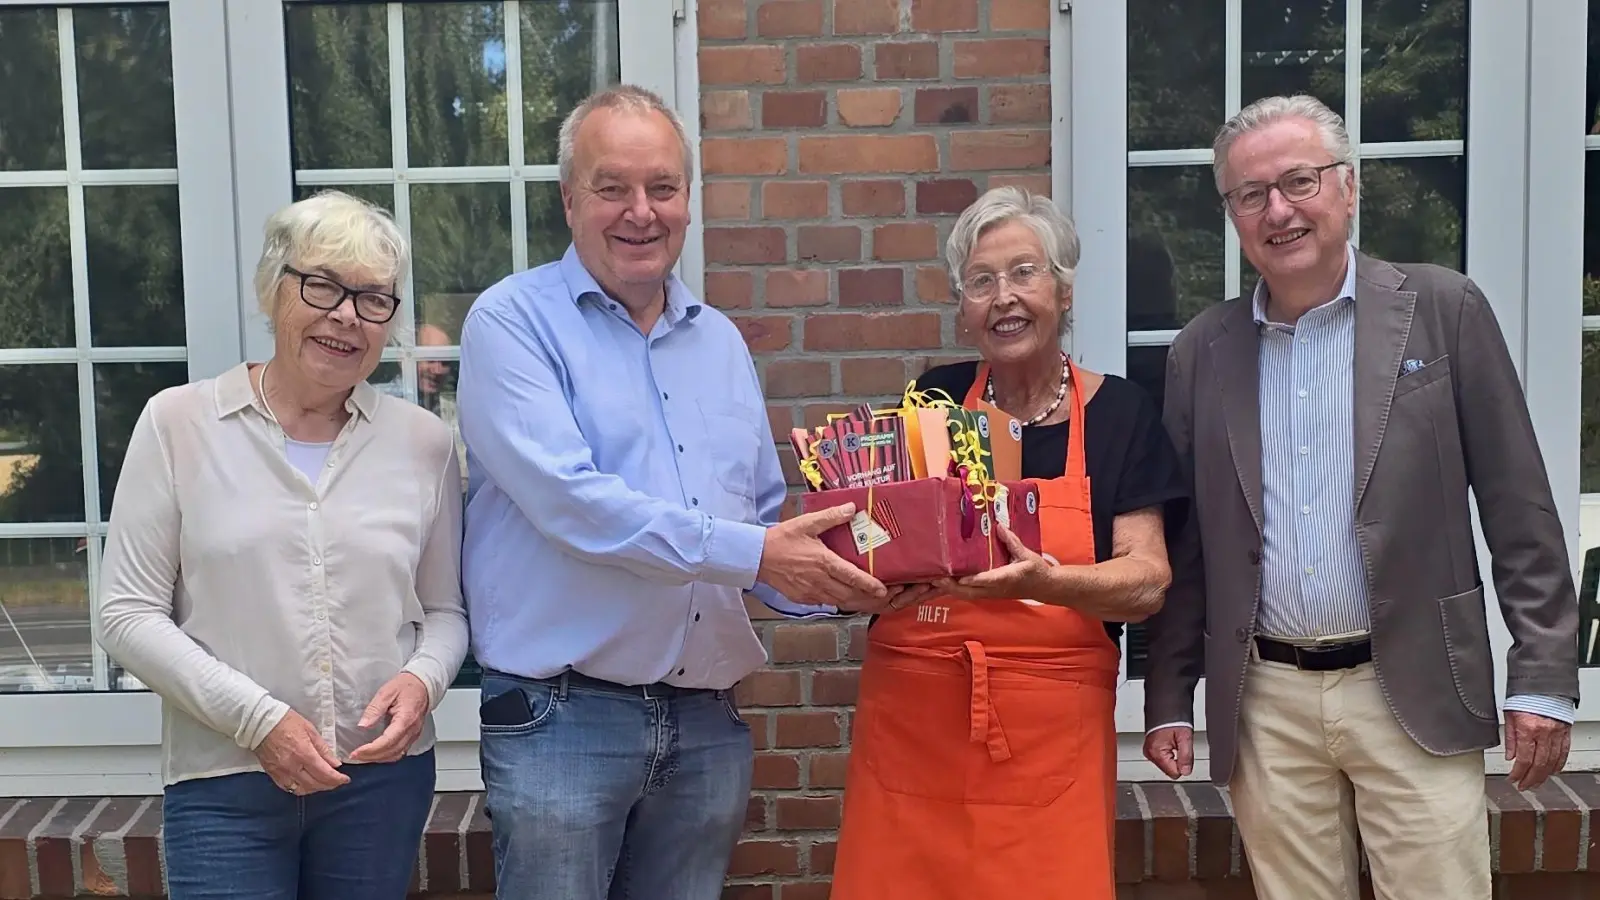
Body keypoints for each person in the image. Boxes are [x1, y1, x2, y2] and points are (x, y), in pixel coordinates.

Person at [454, 84, 891, 900]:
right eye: (612, 187)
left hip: (703, 724)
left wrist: (857, 579)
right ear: (568, 200)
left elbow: (755, 528)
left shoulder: (720, 342)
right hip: (563, 720)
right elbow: (572, 506)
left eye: (662, 187)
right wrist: (758, 551)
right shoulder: (510, 323)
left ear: (689, 200)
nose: (640, 212)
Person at [1143, 94, 1581, 900]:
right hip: (1266, 698)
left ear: (1349, 188)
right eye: (1252, 194)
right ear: (1233, 215)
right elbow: (1187, 542)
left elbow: (1520, 508)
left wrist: (1542, 673)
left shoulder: (1442, 310)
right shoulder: (1202, 350)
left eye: (1300, 181)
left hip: (1411, 677)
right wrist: (1169, 695)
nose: (1279, 210)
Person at [95, 191, 469, 899]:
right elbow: (126, 614)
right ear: (273, 289)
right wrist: (259, 720)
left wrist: (424, 682)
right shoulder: (178, 425)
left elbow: (445, 610)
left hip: (379, 784)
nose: (345, 316)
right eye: (322, 285)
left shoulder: (424, 444)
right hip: (224, 781)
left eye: (372, 298)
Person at [829, 186, 1190, 900]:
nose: (1004, 297)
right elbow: (892, 542)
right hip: (916, 731)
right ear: (963, 307)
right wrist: (857, 569)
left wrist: (1041, 582)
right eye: (981, 281)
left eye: (1024, 272)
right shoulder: (933, 399)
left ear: (1062, 289)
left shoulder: (1118, 413)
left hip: (1050, 747)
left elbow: (1147, 582)